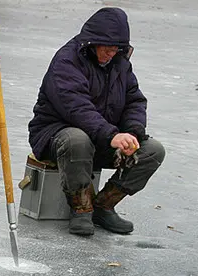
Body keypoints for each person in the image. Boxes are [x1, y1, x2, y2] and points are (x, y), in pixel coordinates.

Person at [28, 7, 166, 236]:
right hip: (56, 136)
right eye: (106, 49)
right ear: (93, 43)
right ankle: (81, 209)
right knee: (77, 139)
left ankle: (103, 206)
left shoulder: (120, 64)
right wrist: (112, 135)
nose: (110, 55)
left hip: (103, 136)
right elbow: (77, 108)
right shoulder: (67, 61)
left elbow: (135, 100)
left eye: (115, 50)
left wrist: (132, 132)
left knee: (152, 151)